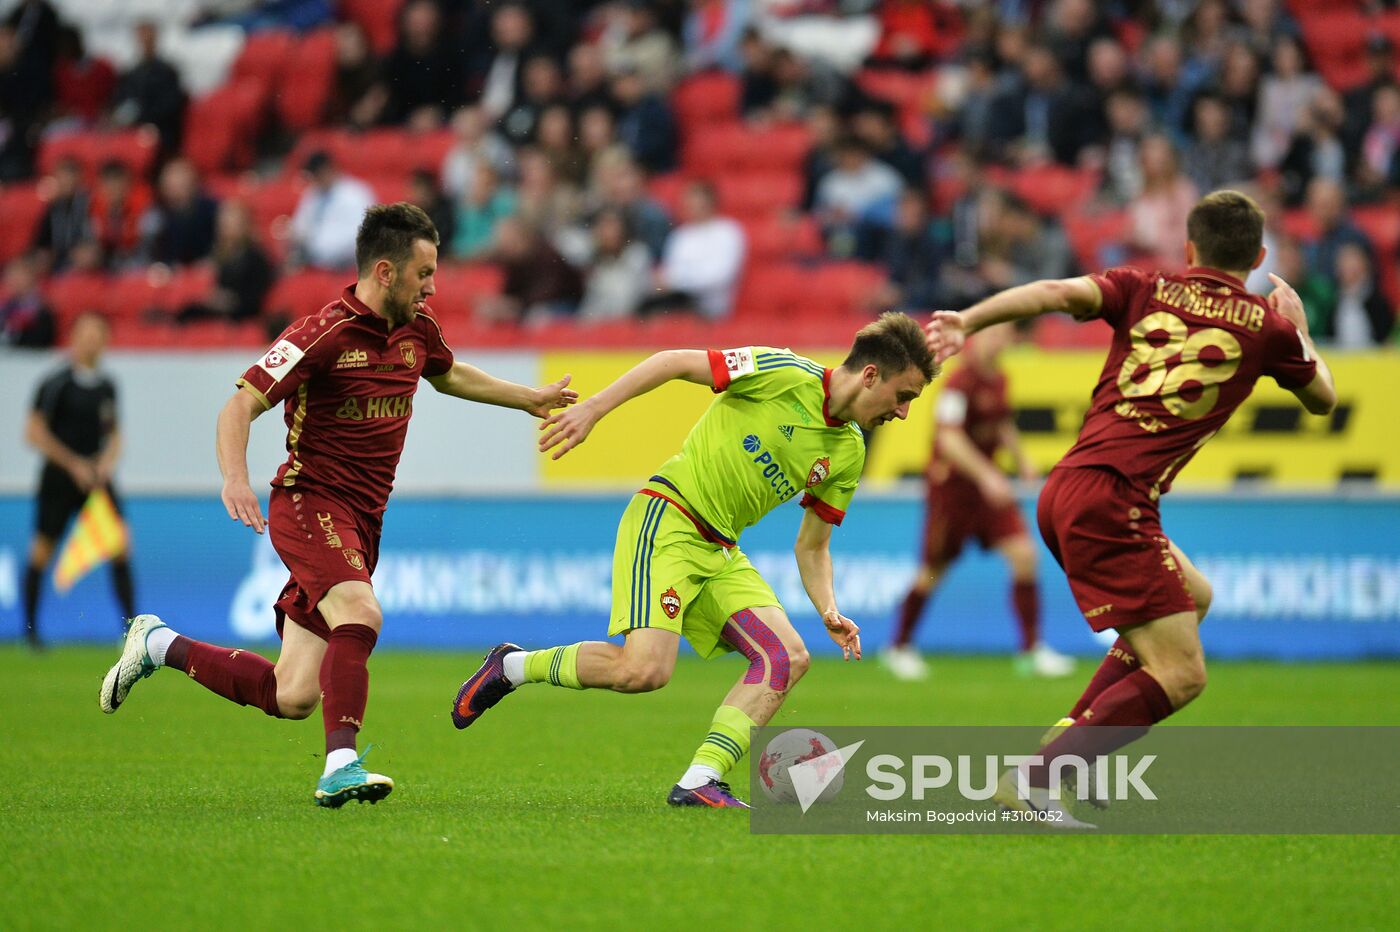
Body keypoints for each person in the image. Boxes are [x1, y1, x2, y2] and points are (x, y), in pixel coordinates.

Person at [98, 204, 579, 807]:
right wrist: (235, 479)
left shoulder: (418, 331)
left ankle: (159, 644)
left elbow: (451, 375)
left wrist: (528, 398)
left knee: (292, 694)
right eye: (424, 272)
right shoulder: (320, 333)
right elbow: (239, 404)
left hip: (362, 521)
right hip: (309, 503)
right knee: (361, 610)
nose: (433, 286)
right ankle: (342, 764)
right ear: (385, 270)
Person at [925, 190, 1337, 825]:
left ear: (1189, 248)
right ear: (1257, 257)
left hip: (1070, 486)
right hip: (1117, 501)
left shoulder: (1146, 286)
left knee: (1193, 597)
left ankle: (1069, 743)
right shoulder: (1267, 328)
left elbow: (1057, 294)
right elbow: (1323, 399)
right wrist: (1303, 329)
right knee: (1183, 674)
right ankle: (1038, 777)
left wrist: (968, 320)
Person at [450, 314, 938, 808]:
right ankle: (511, 666)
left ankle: (699, 780)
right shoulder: (783, 372)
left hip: (720, 550)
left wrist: (828, 609)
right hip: (668, 519)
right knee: (643, 672)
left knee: (786, 657)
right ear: (871, 375)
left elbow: (812, 546)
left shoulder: (849, 451)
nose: (903, 414)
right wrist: (595, 408)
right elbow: (673, 362)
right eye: (905, 396)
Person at [885, 322, 1074, 682]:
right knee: (932, 572)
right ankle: (899, 646)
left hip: (988, 492)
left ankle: (1032, 650)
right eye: (992, 334)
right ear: (976, 338)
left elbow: (1002, 423)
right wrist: (988, 474)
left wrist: (1021, 460)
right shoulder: (959, 383)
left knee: (1024, 555)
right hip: (953, 492)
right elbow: (950, 439)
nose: (998, 341)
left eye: (1004, 335)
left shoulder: (999, 378)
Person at [23, 313, 133, 648]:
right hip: (59, 478)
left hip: (96, 478)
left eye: (98, 334)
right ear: (73, 338)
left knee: (120, 547)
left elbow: (114, 435)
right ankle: (30, 632)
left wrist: (105, 463)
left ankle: (131, 629)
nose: (91, 341)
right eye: (85, 334)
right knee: (42, 551)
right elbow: (33, 432)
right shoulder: (56, 383)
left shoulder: (107, 386)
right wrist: (73, 465)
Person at [287, 151, 376, 270]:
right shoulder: (312, 194)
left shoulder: (356, 193)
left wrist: (327, 253)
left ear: (329, 169)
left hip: (349, 265)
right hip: (313, 263)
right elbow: (299, 228)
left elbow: (364, 234)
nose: (316, 179)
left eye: (318, 174)